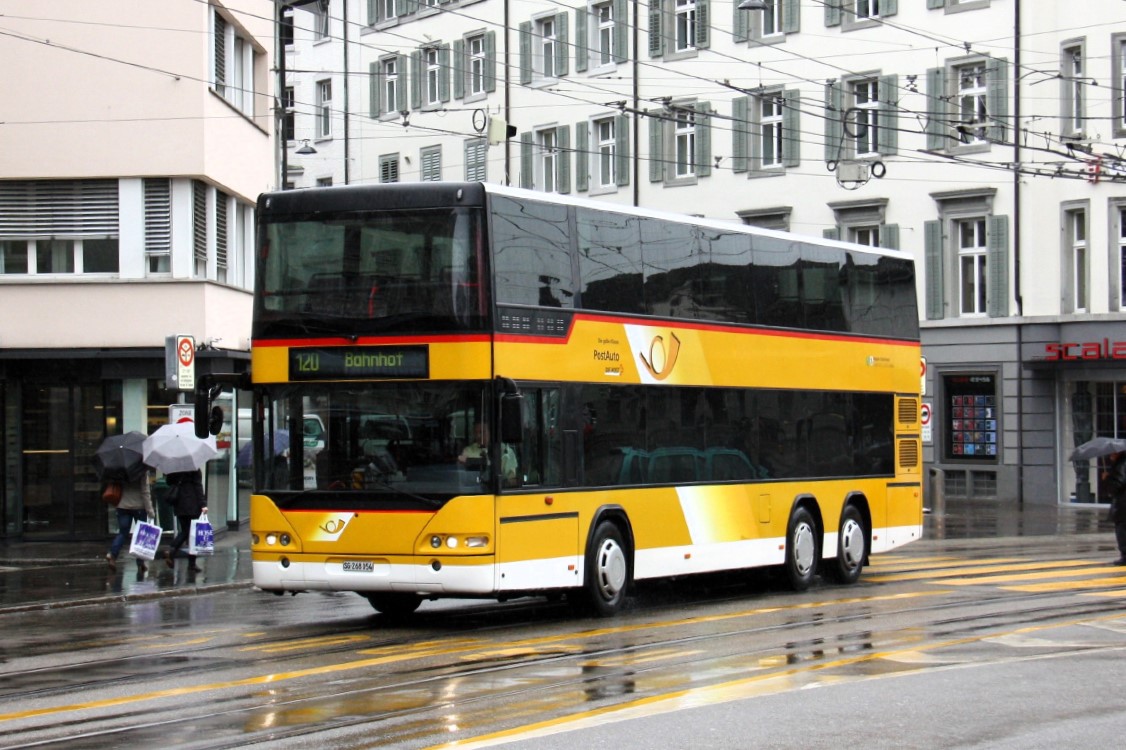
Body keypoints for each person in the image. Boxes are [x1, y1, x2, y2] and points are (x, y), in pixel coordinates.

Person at [105, 472, 155, 573]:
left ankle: (112, 555)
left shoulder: (121, 470)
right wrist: (150, 511)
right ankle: (140, 563)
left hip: (122, 506)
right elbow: (145, 492)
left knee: (123, 533)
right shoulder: (141, 471)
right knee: (141, 535)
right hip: (139, 507)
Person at [162, 469, 207, 573]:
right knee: (191, 534)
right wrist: (203, 504)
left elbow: (169, 482)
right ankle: (172, 551)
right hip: (192, 504)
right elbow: (198, 487)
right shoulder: (194, 469)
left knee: (186, 531)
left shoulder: (175, 468)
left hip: (179, 504)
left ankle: (191, 563)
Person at [1102, 451, 1126, 566]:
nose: (1110, 455)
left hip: (1123, 505)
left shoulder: (1121, 464)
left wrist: (1107, 479)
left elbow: (1117, 484)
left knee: (1122, 530)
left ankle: (1125, 556)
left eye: (1112, 453)